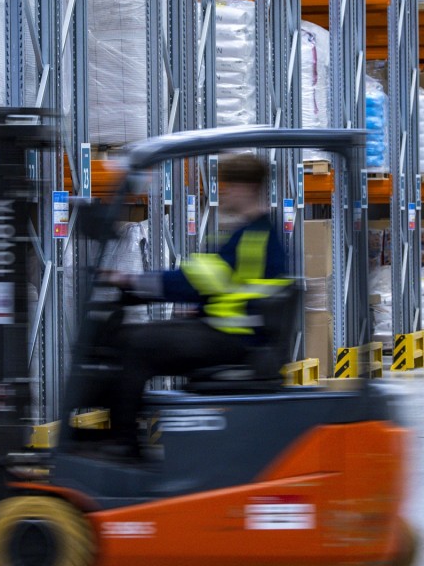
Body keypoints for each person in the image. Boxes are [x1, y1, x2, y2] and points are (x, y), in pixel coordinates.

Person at [102, 153, 290, 456]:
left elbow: (195, 282)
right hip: (232, 335)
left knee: (134, 344)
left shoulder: (252, 239)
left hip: (232, 339)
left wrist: (131, 282)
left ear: (246, 188)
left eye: (228, 184)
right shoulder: (254, 233)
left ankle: (123, 445)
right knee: (145, 338)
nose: (223, 191)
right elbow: (219, 286)